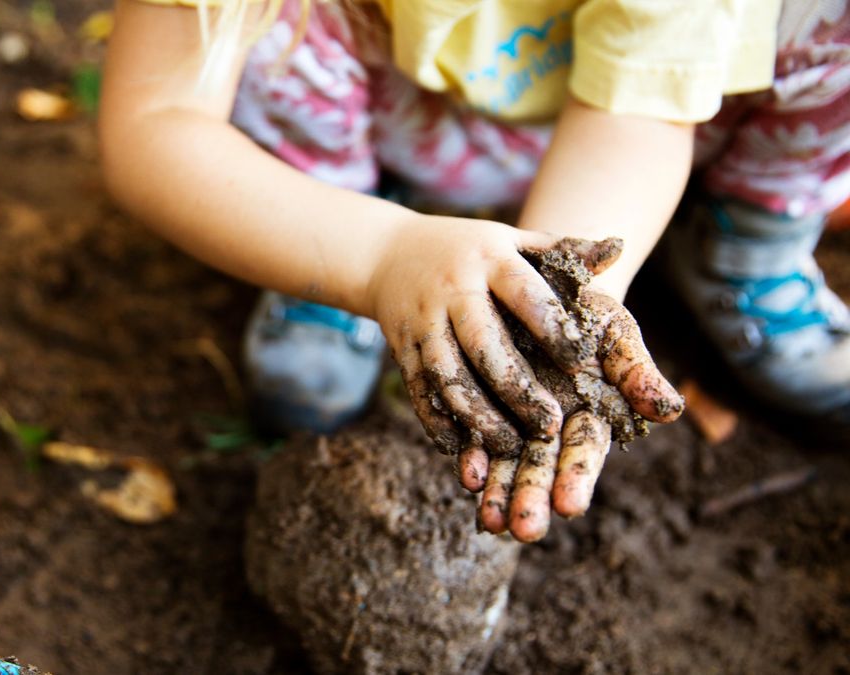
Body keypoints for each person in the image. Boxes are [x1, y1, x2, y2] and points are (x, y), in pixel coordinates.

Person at [98, 0, 850, 542]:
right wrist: (380, 254)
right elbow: (157, 117)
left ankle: (744, 236)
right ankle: (328, 233)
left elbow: (644, 110)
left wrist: (556, 299)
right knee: (252, 25)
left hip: (647, 122)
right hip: (402, 111)